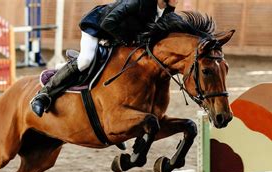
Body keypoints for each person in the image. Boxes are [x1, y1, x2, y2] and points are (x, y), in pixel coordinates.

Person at [31, 0, 178, 117]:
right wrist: (128, 41)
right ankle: (44, 95)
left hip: (117, 36)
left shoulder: (165, 10)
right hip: (97, 28)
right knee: (85, 61)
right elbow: (108, 22)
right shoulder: (138, 2)